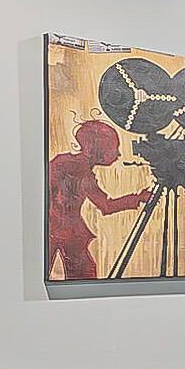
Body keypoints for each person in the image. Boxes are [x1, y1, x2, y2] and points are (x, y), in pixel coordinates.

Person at [47, 119, 150, 280]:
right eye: (114, 148)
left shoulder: (61, 162)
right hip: (69, 233)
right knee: (84, 275)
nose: (118, 154)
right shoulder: (84, 175)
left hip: (53, 229)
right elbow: (106, 206)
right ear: (99, 150)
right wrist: (139, 198)